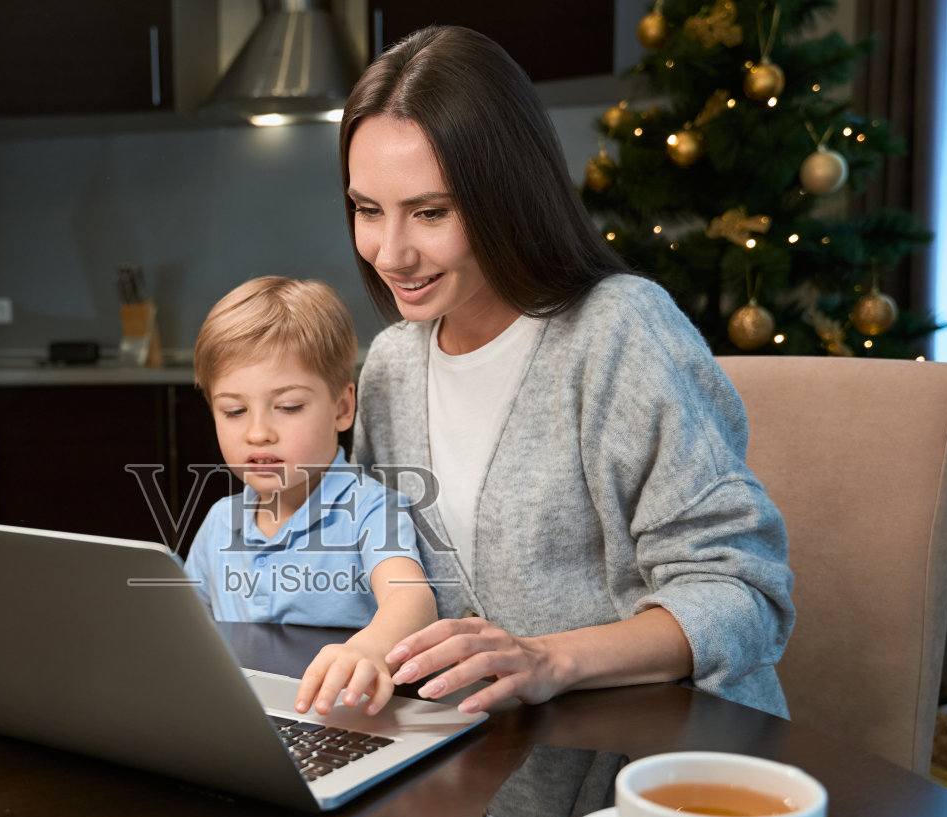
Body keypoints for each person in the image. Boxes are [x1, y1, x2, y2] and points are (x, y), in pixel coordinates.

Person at [339, 26, 796, 717]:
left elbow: (743, 595)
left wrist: (550, 658)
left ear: (508, 195)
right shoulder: (392, 368)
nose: (391, 252)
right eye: (367, 211)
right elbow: (382, 572)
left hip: (653, 755)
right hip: (475, 755)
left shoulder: (620, 332)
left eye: (430, 212)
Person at [182, 276, 438, 716]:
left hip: (344, 717)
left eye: (288, 407)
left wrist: (371, 649)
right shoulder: (220, 521)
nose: (258, 432)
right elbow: (181, 629)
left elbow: (411, 600)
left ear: (342, 408)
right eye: (234, 411)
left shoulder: (369, 509)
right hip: (242, 720)